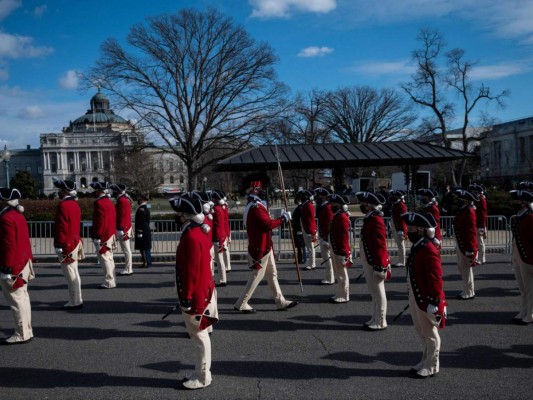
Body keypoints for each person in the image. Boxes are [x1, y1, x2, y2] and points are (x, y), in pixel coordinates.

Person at [170, 195, 218, 390]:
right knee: (201, 334)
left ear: (185, 216)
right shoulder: (195, 230)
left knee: (199, 335)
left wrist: (187, 297)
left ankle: (203, 376)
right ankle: (201, 371)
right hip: (203, 289)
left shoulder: (191, 235)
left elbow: (191, 271)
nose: (177, 217)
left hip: (196, 292)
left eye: (179, 214)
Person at [233, 177, 298, 313]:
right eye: (261, 188)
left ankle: (280, 301)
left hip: (265, 245)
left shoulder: (256, 204)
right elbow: (267, 224)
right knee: (257, 276)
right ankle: (242, 303)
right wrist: (283, 219)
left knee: (272, 274)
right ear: (255, 190)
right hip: (260, 246)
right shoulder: (256, 207)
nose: (263, 191)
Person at [401, 211, 447, 379]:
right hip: (417, 294)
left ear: (421, 230)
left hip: (427, 298)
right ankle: (425, 360)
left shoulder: (428, 248)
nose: (408, 231)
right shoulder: (418, 245)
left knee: (430, 333)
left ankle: (432, 365)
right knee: (422, 331)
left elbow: (435, 277)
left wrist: (434, 300)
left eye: (411, 228)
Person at [0, 188, 34, 344]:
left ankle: (22, 333)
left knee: (16, 300)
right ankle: (27, 330)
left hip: (13, 264)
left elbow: (9, 246)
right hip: (23, 262)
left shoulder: (6, 218)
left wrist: (6, 268)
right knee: (23, 298)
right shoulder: (18, 215)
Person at [356, 191, 391, 330]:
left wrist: (380, 266)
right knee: (373, 292)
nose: (361, 206)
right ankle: (375, 317)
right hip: (369, 260)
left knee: (378, 291)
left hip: (375, 262)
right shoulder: (370, 218)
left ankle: (381, 320)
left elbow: (380, 245)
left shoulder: (375, 220)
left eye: (363, 204)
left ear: (369, 205)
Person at [53, 179, 84, 309]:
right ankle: (77, 298)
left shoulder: (63, 205)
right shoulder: (74, 204)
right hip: (74, 240)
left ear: (65, 191)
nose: (59, 192)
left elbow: (62, 227)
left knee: (70, 273)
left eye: (60, 190)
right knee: (74, 272)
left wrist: (59, 244)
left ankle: (75, 301)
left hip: (67, 242)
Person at [509, 189, 533, 325]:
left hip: (527, 257)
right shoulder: (520, 215)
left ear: (524, 202)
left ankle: (530, 314)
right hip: (518, 255)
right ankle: (523, 311)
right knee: (522, 288)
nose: (515, 202)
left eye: (518, 200)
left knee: (530, 288)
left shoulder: (529, 216)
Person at [90, 181, 117, 289]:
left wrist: (98, 235)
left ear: (98, 191)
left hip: (103, 234)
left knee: (105, 258)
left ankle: (109, 281)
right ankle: (112, 279)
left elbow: (100, 221)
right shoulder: (109, 202)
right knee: (109, 258)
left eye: (96, 190)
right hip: (110, 233)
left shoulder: (99, 203)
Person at [453, 189, 479, 300]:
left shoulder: (469, 211)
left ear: (466, 201)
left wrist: (470, 248)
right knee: (463, 268)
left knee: (466, 269)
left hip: (466, 245)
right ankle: (467, 289)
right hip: (461, 243)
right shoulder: (464, 210)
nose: (459, 201)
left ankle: (469, 292)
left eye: (461, 199)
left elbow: (471, 231)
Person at [328, 194, 352, 303]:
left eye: (333, 204)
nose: (331, 206)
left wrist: (343, 252)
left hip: (340, 250)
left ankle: (344, 295)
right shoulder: (338, 215)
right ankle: (340, 292)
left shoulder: (342, 216)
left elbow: (343, 236)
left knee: (342, 274)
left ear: (338, 205)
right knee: (338, 273)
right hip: (336, 248)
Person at [110, 183, 134, 275]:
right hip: (125, 226)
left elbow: (123, 215)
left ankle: (128, 269)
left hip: (123, 227)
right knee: (127, 250)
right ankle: (128, 268)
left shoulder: (122, 200)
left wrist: (121, 228)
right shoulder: (124, 199)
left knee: (126, 250)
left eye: (115, 190)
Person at [315, 187, 334, 284]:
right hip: (323, 235)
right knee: (326, 257)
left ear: (325, 197)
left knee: (327, 258)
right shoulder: (323, 207)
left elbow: (328, 224)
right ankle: (330, 276)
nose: (318, 198)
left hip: (326, 236)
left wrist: (326, 238)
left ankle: (330, 277)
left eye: (320, 196)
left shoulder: (327, 208)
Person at [209, 190, 228, 286]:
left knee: (217, 259)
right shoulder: (220, 208)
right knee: (219, 259)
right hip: (221, 235)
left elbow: (216, 226)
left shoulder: (215, 209)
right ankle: (222, 279)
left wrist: (218, 239)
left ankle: (221, 279)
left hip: (217, 236)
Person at [298, 189, 317, 271]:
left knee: (310, 247)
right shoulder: (305, 205)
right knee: (309, 247)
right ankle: (311, 263)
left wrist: (312, 231)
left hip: (308, 229)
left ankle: (312, 263)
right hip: (305, 228)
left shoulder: (308, 205)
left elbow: (311, 219)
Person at [469, 183, 488, 264]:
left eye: (475, 192)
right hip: (475, 223)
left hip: (479, 224)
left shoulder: (482, 200)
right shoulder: (476, 199)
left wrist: (482, 226)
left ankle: (482, 258)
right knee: (476, 242)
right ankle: (476, 257)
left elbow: (483, 214)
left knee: (480, 243)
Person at [389, 189, 408, 268]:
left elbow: (403, 218)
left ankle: (402, 261)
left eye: (394, 196)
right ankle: (401, 260)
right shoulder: (396, 204)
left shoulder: (400, 205)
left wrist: (402, 229)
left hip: (399, 228)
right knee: (399, 245)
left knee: (401, 245)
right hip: (396, 227)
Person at [135, 193, 152, 268]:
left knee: (143, 247)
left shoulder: (141, 209)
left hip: (141, 230)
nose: (138, 200)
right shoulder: (145, 208)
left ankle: (146, 262)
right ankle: (148, 262)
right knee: (146, 247)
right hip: (145, 230)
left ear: (142, 200)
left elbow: (141, 222)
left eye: (140, 199)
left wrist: (139, 230)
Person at [292, 193, 307, 265]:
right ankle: (301, 259)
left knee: (301, 245)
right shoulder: (300, 207)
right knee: (299, 245)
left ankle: (302, 259)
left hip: (299, 228)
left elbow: (301, 219)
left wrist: (300, 229)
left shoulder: (300, 208)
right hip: (297, 228)